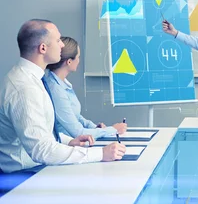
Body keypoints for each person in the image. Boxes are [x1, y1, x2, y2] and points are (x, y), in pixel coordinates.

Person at [0, 19, 125, 174]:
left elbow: (39, 133)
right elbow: (41, 149)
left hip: (35, 167)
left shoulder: (32, 78)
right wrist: (100, 154)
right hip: (24, 175)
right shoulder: (25, 88)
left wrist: (68, 141)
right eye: (58, 40)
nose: (62, 45)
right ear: (43, 48)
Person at [44, 37, 127, 139]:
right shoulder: (55, 90)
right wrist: (113, 130)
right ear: (69, 62)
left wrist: (94, 127)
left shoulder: (62, 84)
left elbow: (76, 117)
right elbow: (78, 132)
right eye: (78, 57)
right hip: (67, 145)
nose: (79, 61)